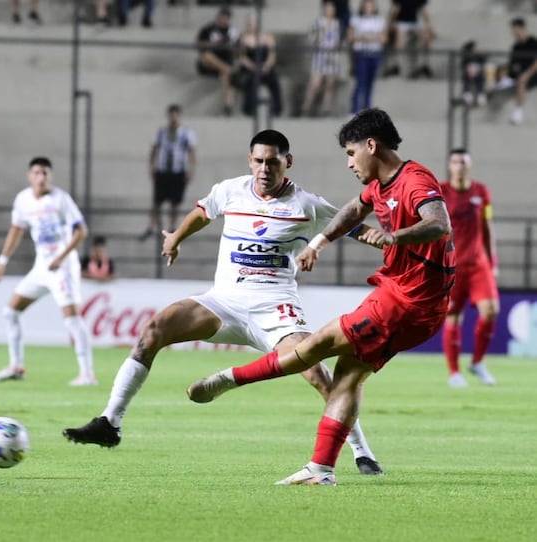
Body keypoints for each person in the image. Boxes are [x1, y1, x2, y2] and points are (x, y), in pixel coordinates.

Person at [64, 129, 384, 477]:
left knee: (317, 372)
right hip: (223, 303)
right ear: (250, 161)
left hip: (274, 309)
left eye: (272, 162)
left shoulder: (308, 205)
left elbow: (355, 227)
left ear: (287, 162)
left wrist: (392, 243)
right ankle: (110, 422)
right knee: (155, 328)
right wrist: (175, 238)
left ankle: (361, 451)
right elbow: (203, 212)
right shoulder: (230, 190)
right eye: (258, 161)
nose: (264, 169)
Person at [186, 109, 454, 486]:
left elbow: (439, 223)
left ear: (371, 146)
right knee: (347, 375)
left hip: (408, 301)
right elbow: (352, 211)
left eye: (350, 152)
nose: (349, 162)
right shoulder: (381, 184)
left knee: (315, 345)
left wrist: (395, 236)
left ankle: (228, 379)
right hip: (407, 297)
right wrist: (318, 242)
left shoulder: (413, 180)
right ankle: (321, 469)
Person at [0, 157, 97, 386]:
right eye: (37, 173)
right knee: (10, 312)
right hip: (41, 268)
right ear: (30, 176)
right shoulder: (23, 200)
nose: (41, 177)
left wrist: (61, 257)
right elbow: (16, 230)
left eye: (45, 173)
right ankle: (16, 366)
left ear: (51, 176)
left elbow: (81, 231)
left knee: (72, 318)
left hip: (63, 267)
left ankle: (87, 374)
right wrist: (2, 260)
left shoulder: (60, 199)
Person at [440, 149, 498, 388]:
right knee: (453, 317)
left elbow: (487, 226)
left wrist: (493, 260)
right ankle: (454, 373)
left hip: (478, 264)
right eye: (455, 162)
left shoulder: (481, 192)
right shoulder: (441, 192)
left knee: (491, 310)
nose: (459, 166)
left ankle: (477, 362)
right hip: (452, 265)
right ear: (450, 166)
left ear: (469, 166)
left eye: (463, 162)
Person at [140, 104, 197, 241]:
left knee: (175, 202)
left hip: (178, 171)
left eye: (176, 116)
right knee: (157, 201)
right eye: (172, 116)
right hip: (163, 171)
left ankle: (172, 227)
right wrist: (152, 166)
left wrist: (191, 170)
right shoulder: (161, 133)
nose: (174, 119)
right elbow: (154, 150)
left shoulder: (186, 134)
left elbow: (192, 153)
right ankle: (152, 227)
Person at [196, 6, 241, 116]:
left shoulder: (234, 32)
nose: (223, 20)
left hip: (225, 64)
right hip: (209, 64)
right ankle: (227, 69)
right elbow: (199, 45)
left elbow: (239, 52)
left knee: (227, 76)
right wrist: (216, 44)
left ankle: (228, 106)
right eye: (222, 18)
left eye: (226, 18)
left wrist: (231, 47)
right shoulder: (208, 29)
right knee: (207, 56)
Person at [236, 13, 282, 117]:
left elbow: (272, 54)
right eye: (250, 23)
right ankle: (249, 109)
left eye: (254, 23)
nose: (252, 25)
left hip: (266, 67)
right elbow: (242, 58)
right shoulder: (243, 38)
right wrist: (254, 67)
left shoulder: (267, 37)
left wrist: (267, 66)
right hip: (249, 68)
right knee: (252, 79)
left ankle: (276, 109)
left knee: (274, 79)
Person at [301, 1, 342, 117]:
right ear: (324, 9)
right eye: (328, 8)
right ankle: (306, 107)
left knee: (330, 84)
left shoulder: (336, 24)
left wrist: (337, 56)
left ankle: (326, 108)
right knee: (315, 84)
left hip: (332, 56)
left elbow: (337, 41)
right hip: (319, 56)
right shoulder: (317, 23)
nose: (330, 10)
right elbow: (311, 39)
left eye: (332, 8)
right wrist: (320, 35)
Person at [348, 0, 386, 114]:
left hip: (374, 54)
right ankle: (354, 110)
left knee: (370, 83)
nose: (368, 8)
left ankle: (367, 110)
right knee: (360, 82)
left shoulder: (379, 20)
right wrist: (372, 37)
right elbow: (351, 37)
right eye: (366, 6)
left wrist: (365, 37)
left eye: (370, 6)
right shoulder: (356, 19)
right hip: (361, 54)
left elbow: (384, 38)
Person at [383, 0, 435, 79]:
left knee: (427, 35)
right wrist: (389, 25)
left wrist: (429, 26)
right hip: (401, 22)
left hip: (414, 22)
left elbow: (424, 11)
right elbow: (396, 10)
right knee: (400, 37)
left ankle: (425, 65)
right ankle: (396, 65)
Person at [505, 18, 537, 125]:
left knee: (522, 80)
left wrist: (527, 74)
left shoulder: (533, 43)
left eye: (514, 29)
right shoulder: (516, 46)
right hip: (518, 75)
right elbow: (512, 65)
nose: (512, 32)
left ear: (520, 28)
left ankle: (518, 112)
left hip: (533, 74)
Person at [459, 40, 488, 108]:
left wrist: (481, 55)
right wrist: (468, 70)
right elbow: (463, 67)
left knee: (479, 80)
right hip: (469, 74)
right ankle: (467, 95)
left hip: (478, 74)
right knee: (467, 80)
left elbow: (484, 59)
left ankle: (481, 95)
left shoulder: (478, 57)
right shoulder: (466, 58)